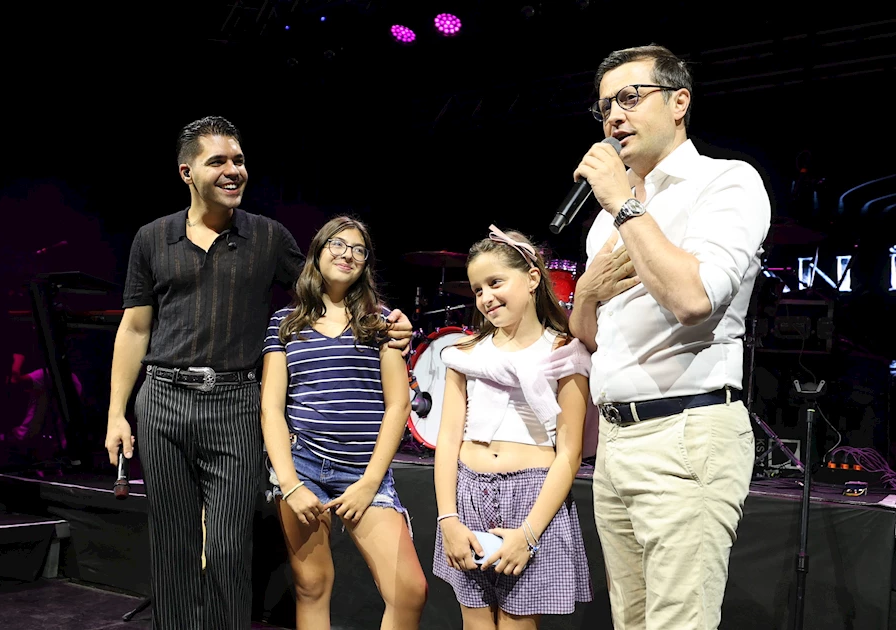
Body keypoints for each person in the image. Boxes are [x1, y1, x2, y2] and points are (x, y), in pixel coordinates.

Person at [103, 116, 413, 630]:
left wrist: (388, 322)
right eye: (218, 161)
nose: (234, 170)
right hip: (162, 400)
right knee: (174, 544)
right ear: (186, 172)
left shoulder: (267, 236)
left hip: (235, 404)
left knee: (229, 546)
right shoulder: (152, 238)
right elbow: (135, 329)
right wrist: (117, 412)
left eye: (240, 160)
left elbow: (326, 290)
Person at [568, 44, 771, 629]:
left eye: (631, 98)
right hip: (615, 441)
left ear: (679, 102)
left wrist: (622, 203)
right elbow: (592, 340)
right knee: (630, 620)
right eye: (605, 106)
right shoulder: (607, 219)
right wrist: (584, 294)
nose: (614, 116)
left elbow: (693, 299)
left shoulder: (725, 182)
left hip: (686, 432)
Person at [260, 215, 427, 629]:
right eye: (337, 244)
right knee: (312, 586)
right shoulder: (284, 322)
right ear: (317, 252)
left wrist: (370, 482)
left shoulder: (381, 322)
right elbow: (271, 409)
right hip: (302, 468)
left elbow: (398, 406)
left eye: (358, 249)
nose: (347, 254)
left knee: (409, 590)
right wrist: (290, 484)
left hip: (364, 472)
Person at [433, 225, 593, 629]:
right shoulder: (466, 354)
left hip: (532, 500)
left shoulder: (563, 353)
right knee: (475, 623)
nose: (485, 297)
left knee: (517, 622)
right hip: (468, 495)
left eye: (495, 282)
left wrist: (528, 534)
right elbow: (448, 440)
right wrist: (447, 518)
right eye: (477, 290)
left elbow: (569, 453)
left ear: (532, 278)